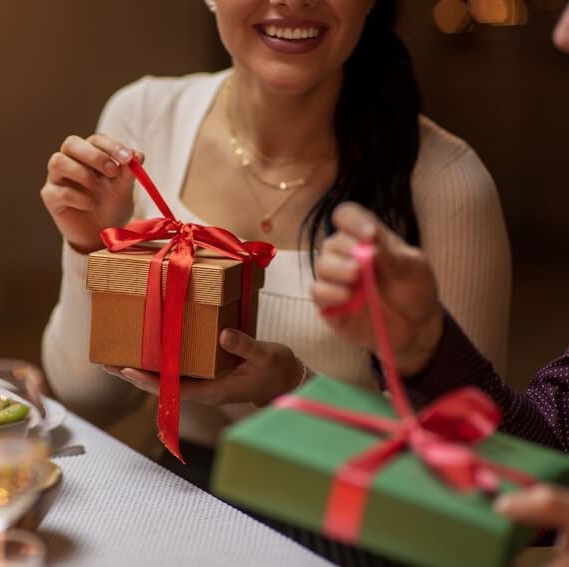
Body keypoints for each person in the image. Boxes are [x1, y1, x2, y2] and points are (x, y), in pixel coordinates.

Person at [40, 0, 511, 478]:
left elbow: (466, 463)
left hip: (354, 523)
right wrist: (90, 248)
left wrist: (291, 389)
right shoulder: (142, 121)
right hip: (184, 489)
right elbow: (88, 400)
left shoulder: (448, 183)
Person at [310, 1, 569, 554]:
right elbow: (550, 466)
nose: (563, 33)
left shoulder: (447, 177)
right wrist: (427, 350)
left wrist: (286, 387)